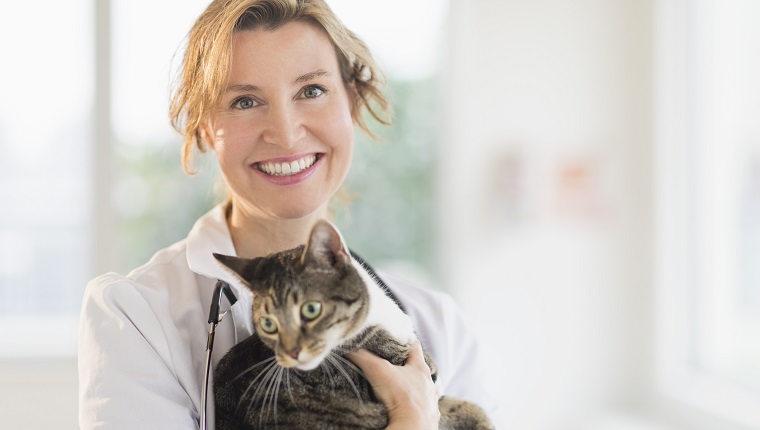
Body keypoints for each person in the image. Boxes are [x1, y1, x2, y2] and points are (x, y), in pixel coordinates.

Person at [78, 0, 500, 429]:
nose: (285, 132)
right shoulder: (134, 316)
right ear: (205, 126)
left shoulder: (438, 322)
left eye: (311, 91)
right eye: (245, 101)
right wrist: (412, 417)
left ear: (350, 102)